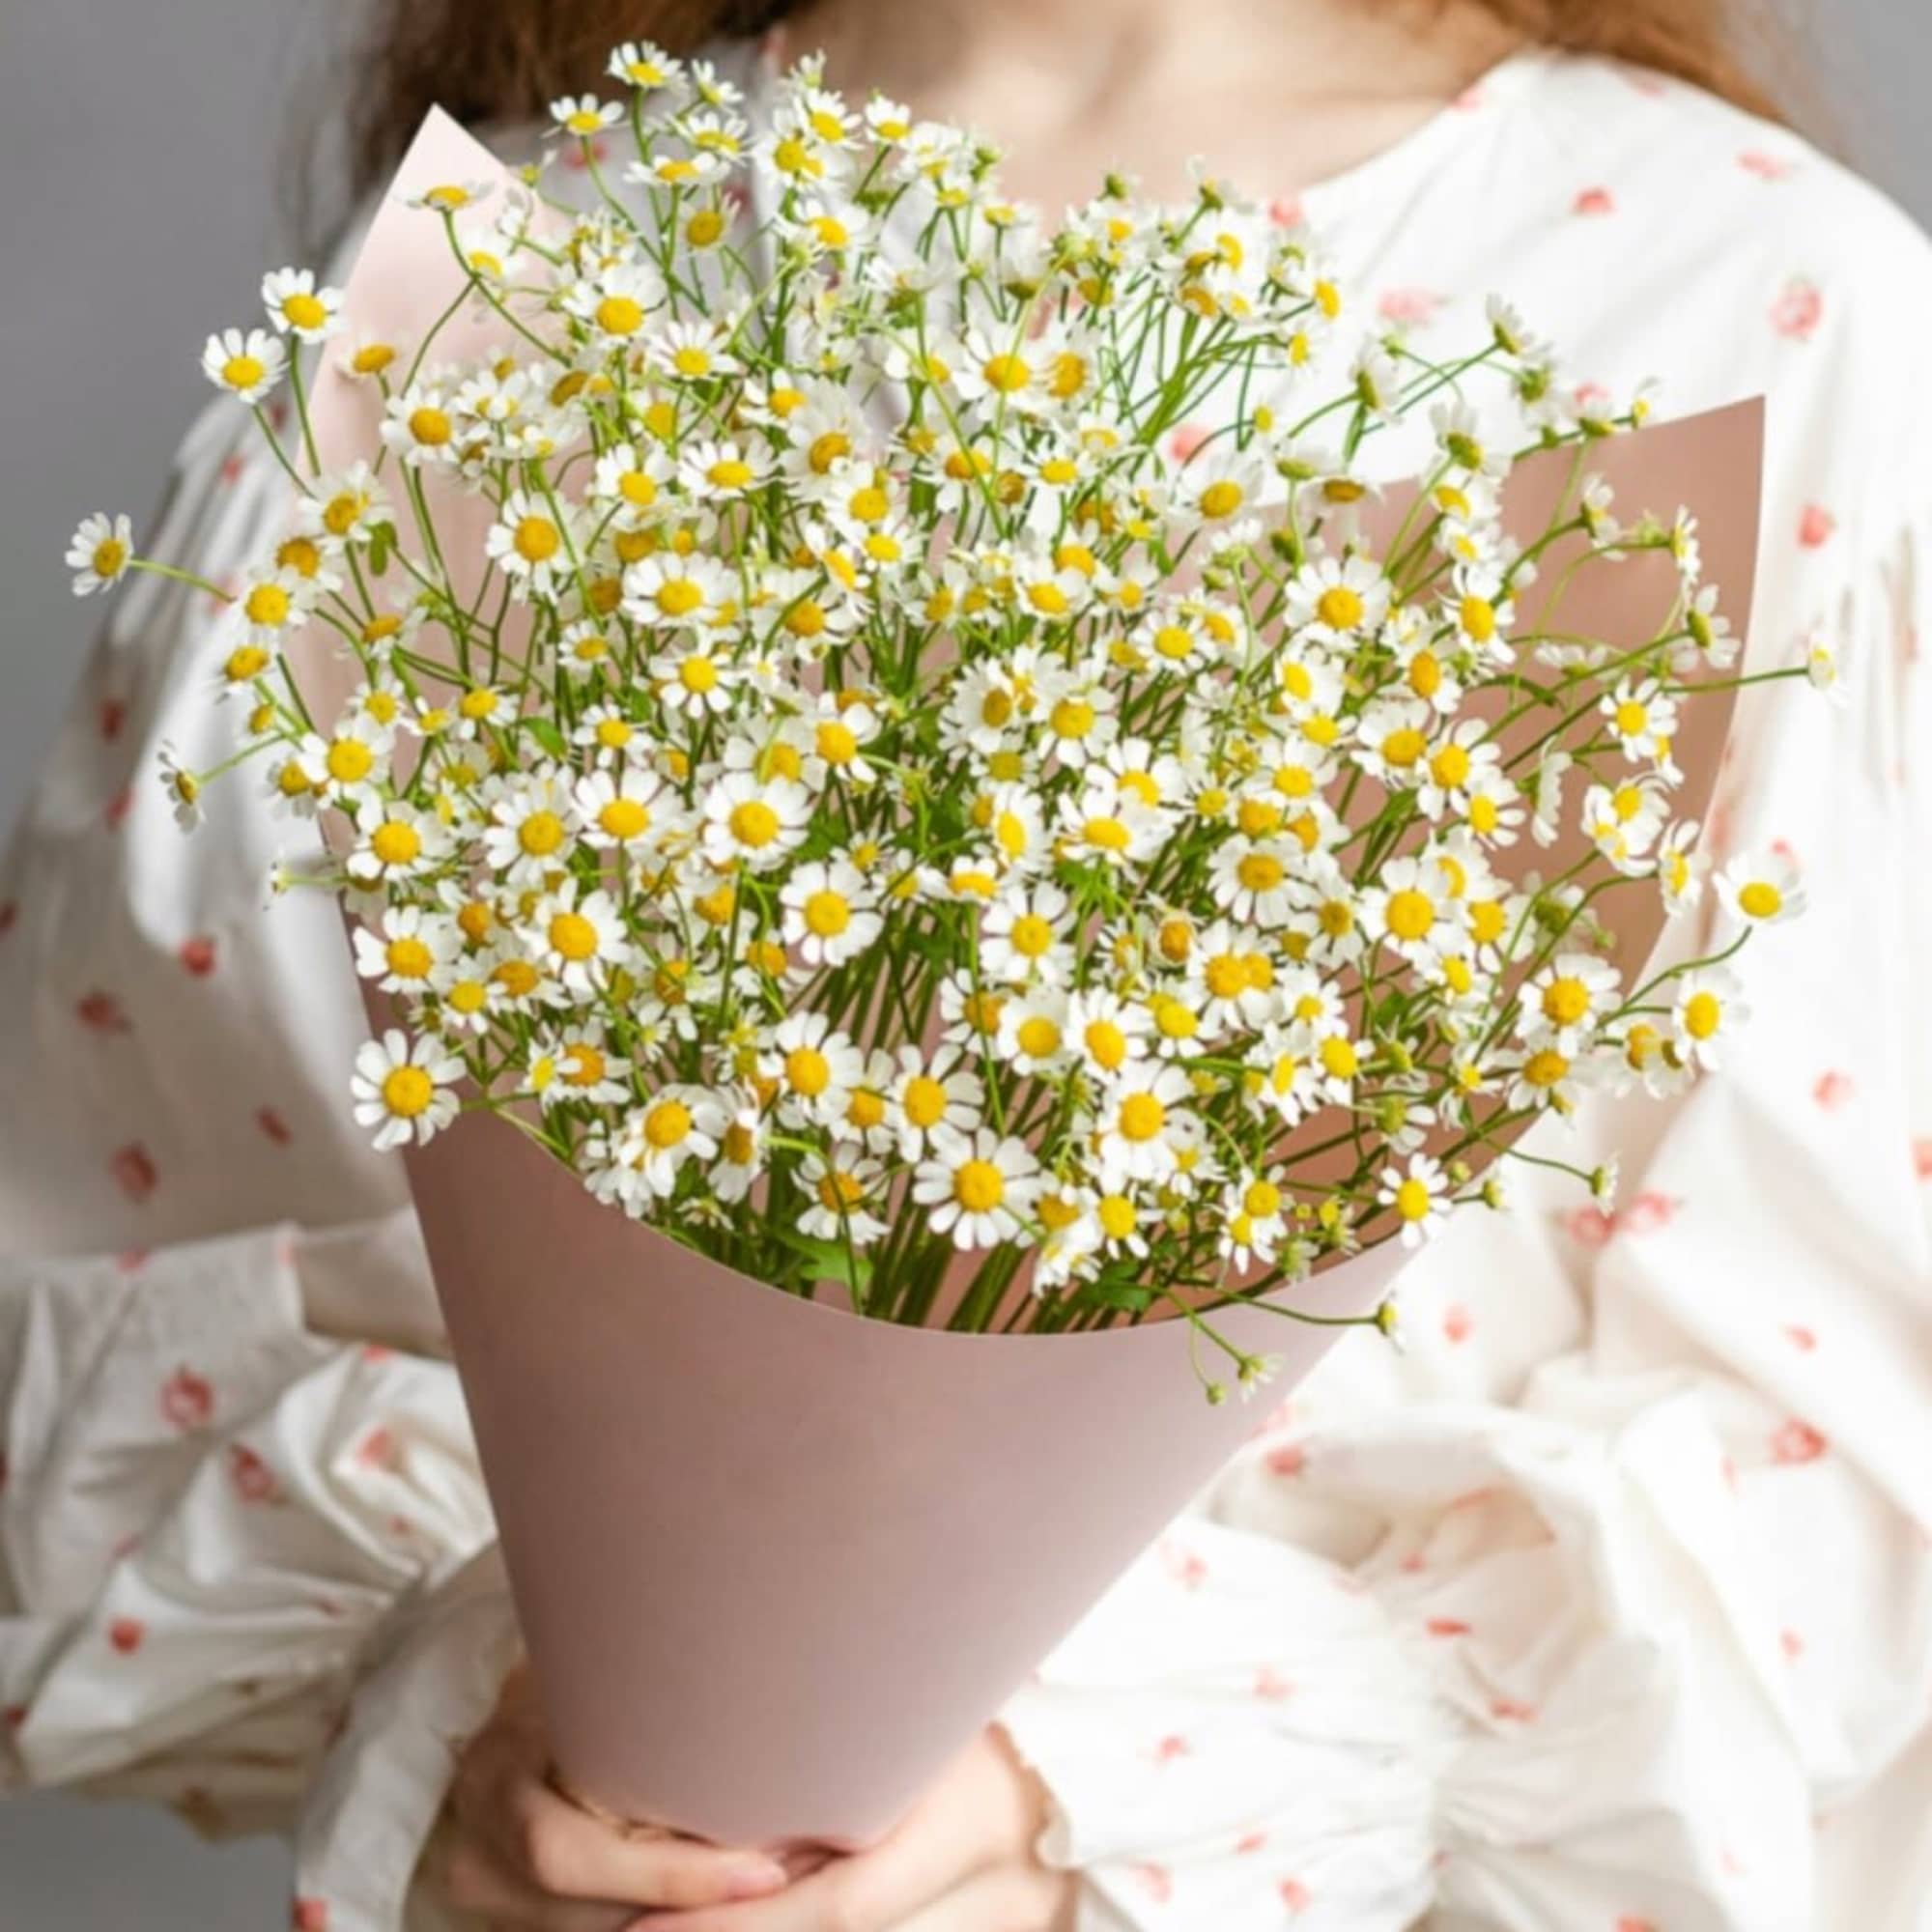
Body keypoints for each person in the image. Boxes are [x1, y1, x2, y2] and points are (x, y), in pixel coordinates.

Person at [4, 1, 1930, 1927]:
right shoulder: (496, 290)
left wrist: (1139, 1788)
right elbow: (108, 1330)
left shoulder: (1762, 312)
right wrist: (478, 1707)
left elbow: (1835, 1535)